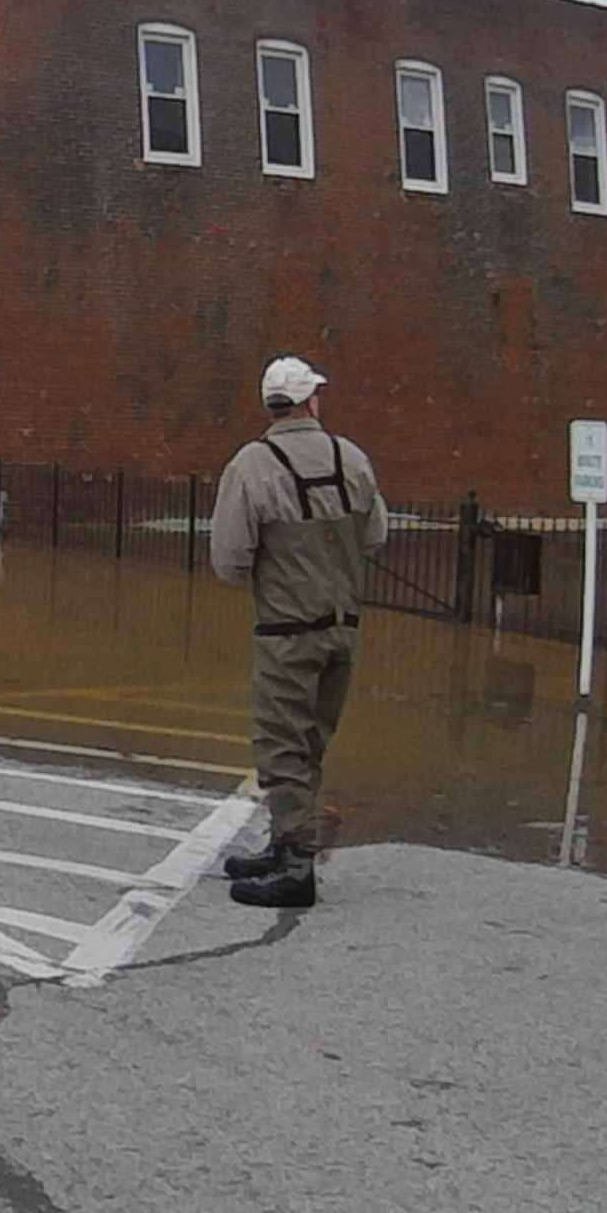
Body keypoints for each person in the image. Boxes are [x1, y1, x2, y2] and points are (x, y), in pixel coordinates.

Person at [208, 355, 387, 910]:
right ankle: (286, 841)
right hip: (343, 629)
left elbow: (229, 560)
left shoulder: (252, 465)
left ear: (271, 406)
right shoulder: (349, 456)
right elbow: (375, 535)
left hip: (286, 632)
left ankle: (295, 867)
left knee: (282, 745)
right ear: (311, 401)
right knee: (311, 742)